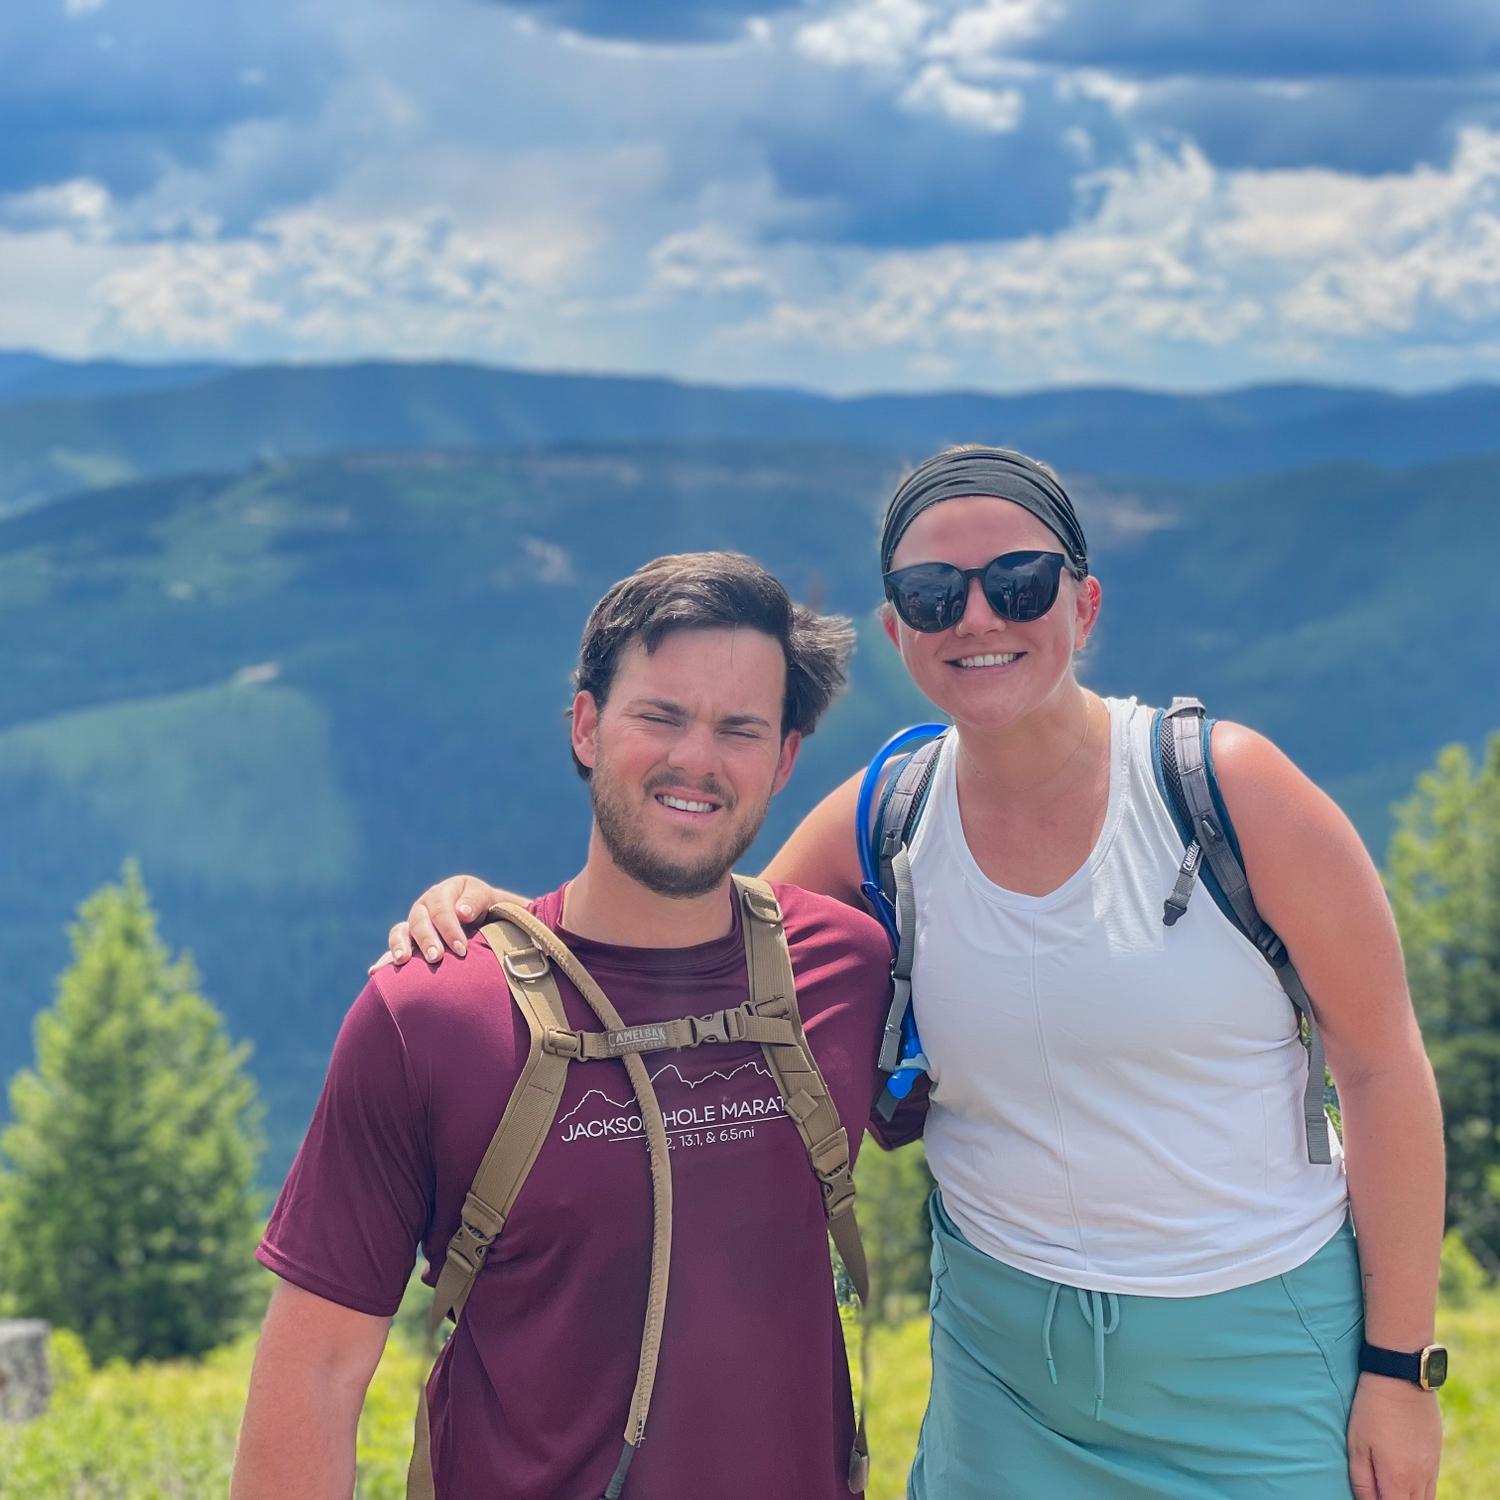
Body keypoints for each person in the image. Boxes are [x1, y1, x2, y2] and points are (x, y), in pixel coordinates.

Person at [386, 447, 1447, 1500]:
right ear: (898, 631)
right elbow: (694, 943)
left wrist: (1400, 1372)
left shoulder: (1224, 790)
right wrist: (514, 926)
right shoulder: (885, 819)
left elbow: (1382, 1066)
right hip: (1003, 1378)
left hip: (1260, 1358)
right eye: (934, 596)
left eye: (1020, 584)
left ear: (1085, 604)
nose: (978, 620)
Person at [232, 552, 916, 1500]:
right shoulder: (432, 1013)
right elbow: (315, 1374)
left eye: (740, 729)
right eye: (660, 716)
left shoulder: (849, 966)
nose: (698, 760)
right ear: (587, 725)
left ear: (785, 758)